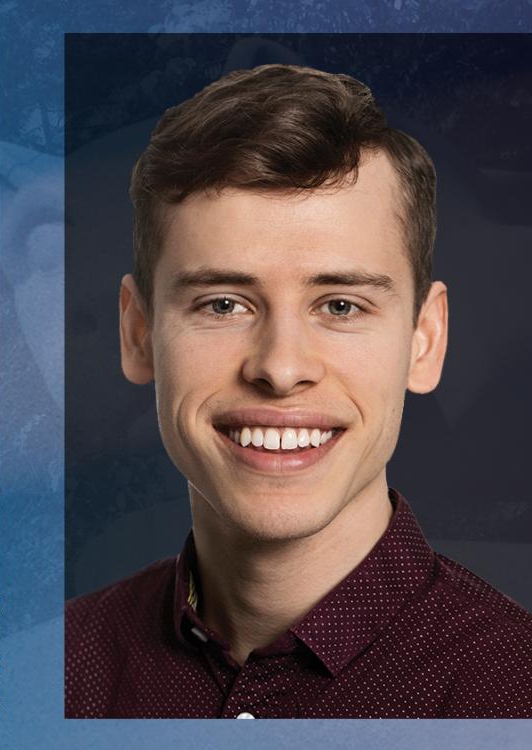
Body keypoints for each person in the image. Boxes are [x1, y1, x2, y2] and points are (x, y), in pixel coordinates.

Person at [65, 64, 532, 719]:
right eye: (224, 304)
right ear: (138, 334)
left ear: (424, 341)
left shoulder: (514, 696)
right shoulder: (43, 672)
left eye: (340, 306)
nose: (280, 368)